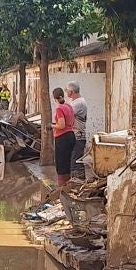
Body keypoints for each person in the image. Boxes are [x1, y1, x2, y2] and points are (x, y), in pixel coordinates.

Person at [50, 86, 82, 224]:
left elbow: (61, 125)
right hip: (71, 136)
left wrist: (51, 126)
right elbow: (72, 122)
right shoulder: (69, 106)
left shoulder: (59, 108)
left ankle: (61, 194)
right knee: (68, 165)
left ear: (55, 98)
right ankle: (67, 190)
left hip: (62, 137)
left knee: (61, 166)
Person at [66, 82, 88, 175]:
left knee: (76, 164)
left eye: (67, 90)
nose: (66, 92)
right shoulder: (74, 102)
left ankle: (78, 184)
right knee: (74, 161)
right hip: (75, 136)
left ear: (71, 91)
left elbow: (65, 114)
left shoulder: (79, 103)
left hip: (78, 136)